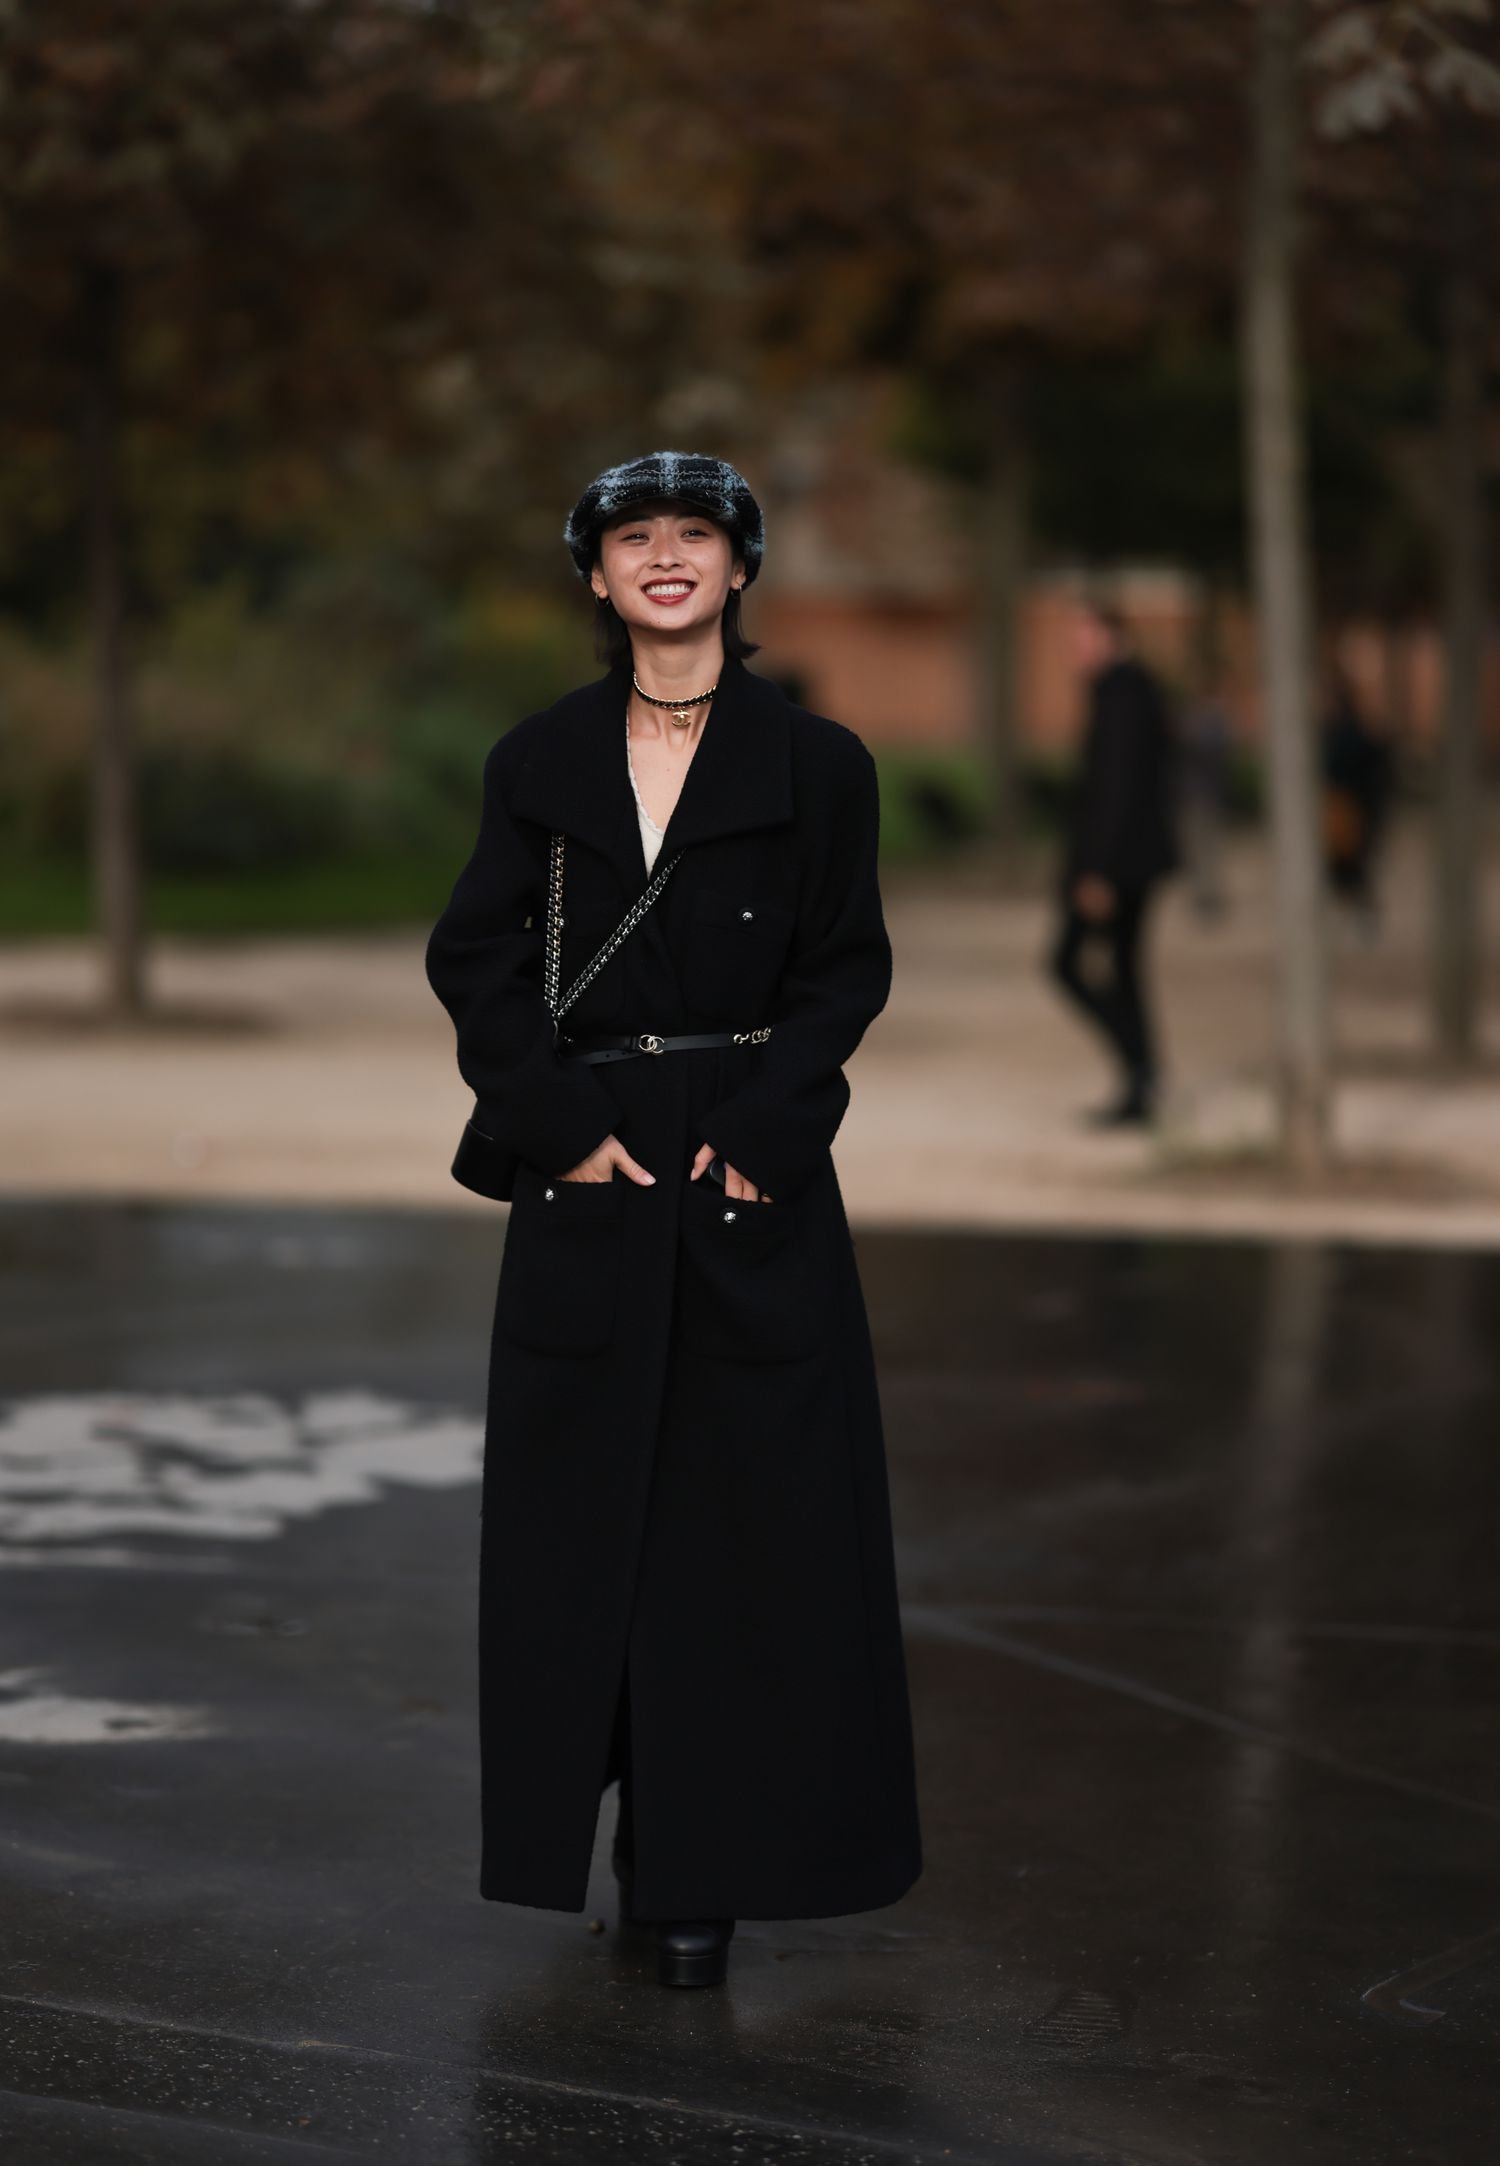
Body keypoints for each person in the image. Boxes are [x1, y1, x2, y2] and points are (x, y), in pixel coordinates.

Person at [425, 451, 922, 1991]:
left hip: (750, 1173)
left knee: (740, 1533)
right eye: (632, 537)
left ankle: (694, 1861)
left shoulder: (819, 762)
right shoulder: (538, 757)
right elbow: (476, 958)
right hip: (590, 1175)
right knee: (594, 1537)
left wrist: (772, 1135)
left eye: (691, 535)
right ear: (596, 575)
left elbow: (845, 969)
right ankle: (615, 1823)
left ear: (737, 568)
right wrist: (555, 1128)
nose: (662, 558)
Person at [1049, 598, 1180, 1126]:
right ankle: (1141, 1078)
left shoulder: (1122, 696)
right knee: (1122, 970)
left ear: (1112, 637)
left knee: (1070, 964)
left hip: (1117, 866)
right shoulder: (1129, 690)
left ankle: (1140, 1069)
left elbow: (1116, 789)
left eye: (1083, 638)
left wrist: (1096, 871)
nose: (1076, 650)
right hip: (1130, 861)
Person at [1320, 666, 1393, 938]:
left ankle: (1361, 917)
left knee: (1352, 867)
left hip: (1347, 804)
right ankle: (1358, 916)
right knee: (1349, 867)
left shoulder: (1344, 734)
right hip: (1348, 804)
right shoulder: (1352, 732)